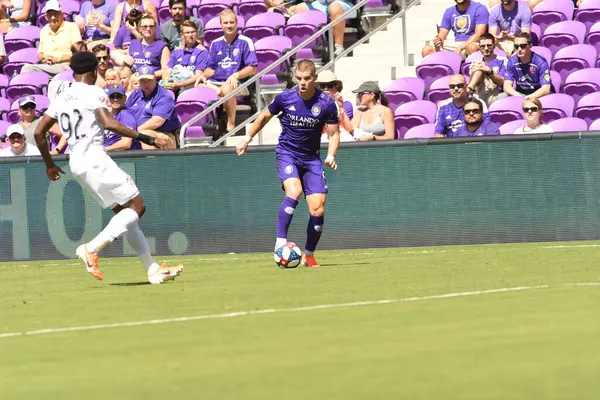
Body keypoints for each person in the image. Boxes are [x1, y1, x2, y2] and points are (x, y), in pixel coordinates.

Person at [33, 51, 183, 284]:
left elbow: (38, 132)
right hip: (95, 158)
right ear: (94, 71)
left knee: (125, 213)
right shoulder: (94, 92)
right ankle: (91, 249)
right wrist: (148, 138)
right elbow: (109, 123)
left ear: (73, 72)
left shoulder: (62, 97)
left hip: (77, 163)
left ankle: (152, 268)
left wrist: (49, 165)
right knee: (137, 207)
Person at [236, 60, 340, 267]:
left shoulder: (326, 103)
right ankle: (280, 243)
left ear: (315, 78)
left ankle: (309, 255)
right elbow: (264, 116)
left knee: (318, 209)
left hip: (312, 159)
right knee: (294, 192)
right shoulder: (285, 97)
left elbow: (334, 133)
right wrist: (246, 138)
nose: (302, 83)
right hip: (288, 153)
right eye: (299, 78)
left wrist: (331, 154)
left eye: (307, 78)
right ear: (295, 78)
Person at [196, 9, 257, 132]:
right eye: (225, 23)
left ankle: (231, 122)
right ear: (221, 24)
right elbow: (211, 68)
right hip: (216, 82)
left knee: (227, 88)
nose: (228, 26)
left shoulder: (246, 41)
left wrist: (236, 75)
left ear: (237, 23)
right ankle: (206, 127)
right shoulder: (215, 43)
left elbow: (253, 68)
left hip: (238, 83)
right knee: (198, 86)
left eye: (231, 22)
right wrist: (203, 76)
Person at [22, 0, 83, 77]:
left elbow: (79, 53)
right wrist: (44, 58)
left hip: (65, 66)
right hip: (48, 66)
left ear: (62, 15)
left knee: (27, 69)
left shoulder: (72, 27)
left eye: (56, 14)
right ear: (46, 17)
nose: (53, 17)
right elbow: (40, 53)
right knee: (27, 70)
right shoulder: (44, 30)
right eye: (50, 14)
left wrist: (57, 59)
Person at [126, 65, 180, 148]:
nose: (146, 83)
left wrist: (134, 132)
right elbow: (125, 113)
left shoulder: (163, 96)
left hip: (164, 133)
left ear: (155, 79)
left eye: (149, 80)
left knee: (146, 137)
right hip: (136, 132)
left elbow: (157, 122)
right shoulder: (135, 94)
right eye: (143, 80)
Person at [422, 0, 489, 58]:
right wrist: (438, 40)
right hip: (456, 44)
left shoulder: (480, 8)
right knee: (427, 50)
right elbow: (442, 35)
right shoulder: (449, 11)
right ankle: (437, 72)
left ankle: (472, 71)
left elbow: (479, 35)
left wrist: (460, 47)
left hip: (473, 43)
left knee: (471, 47)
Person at [164, 20, 209, 94]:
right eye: (187, 33)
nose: (190, 35)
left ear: (197, 33)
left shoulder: (202, 52)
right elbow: (168, 70)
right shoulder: (176, 51)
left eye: (192, 32)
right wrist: (166, 82)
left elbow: (198, 75)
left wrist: (179, 85)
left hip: (191, 87)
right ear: (182, 35)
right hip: (174, 85)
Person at [503, 32, 552, 100]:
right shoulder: (512, 61)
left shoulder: (541, 62)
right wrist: (519, 96)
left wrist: (528, 98)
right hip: (520, 94)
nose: (519, 49)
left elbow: (546, 89)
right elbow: (507, 86)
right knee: (503, 96)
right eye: (516, 46)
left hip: (539, 95)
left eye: (522, 46)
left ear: (530, 45)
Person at [124, 13, 170, 79]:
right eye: (145, 26)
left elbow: (165, 71)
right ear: (139, 29)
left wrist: (145, 75)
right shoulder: (133, 44)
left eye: (151, 26)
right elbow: (127, 66)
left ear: (155, 29)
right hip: (134, 82)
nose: (148, 29)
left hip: (152, 81)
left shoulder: (162, 47)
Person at [467, 33, 507, 106]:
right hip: (479, 94)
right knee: (478, 67)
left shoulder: (503, 61)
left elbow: (502, 82)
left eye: (489, 45)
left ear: (494, 46)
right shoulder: (475, 62)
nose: (486, 48)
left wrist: (489, 71)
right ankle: (469, 90)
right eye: (482, 46)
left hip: (495, 95)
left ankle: (468, 92)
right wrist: (474, 72)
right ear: (479, 47)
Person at [104, 83, 142, 150]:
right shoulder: (107, 115)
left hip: (123, 157)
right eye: (112, 96)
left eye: (119, 96)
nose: (115, 99)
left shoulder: (127, 117)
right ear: (108, 99)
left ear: (125, 98)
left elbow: (126, 143)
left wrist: (105, 149)